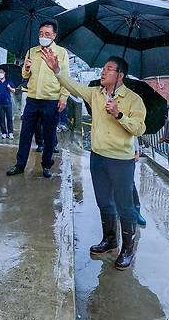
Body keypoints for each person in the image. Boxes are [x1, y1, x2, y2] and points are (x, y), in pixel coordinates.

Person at [41, 50, 146, 270]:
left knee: (125, 206)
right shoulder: (96, 94)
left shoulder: (133, 100)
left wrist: (119, 114)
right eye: (103, 68)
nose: (103, 72)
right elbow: (74, 87)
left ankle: (128, 248)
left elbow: (139, 128)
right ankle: (110, 240)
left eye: (109, 69)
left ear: (120, 76)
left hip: (121, 161)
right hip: (98, 157)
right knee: (104, 201)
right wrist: (57, 70)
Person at [6, 20, 69, 178]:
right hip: (33, 99)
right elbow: (25, 75)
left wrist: (64, 97)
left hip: (51, 100)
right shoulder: (32, 51)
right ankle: (20, 164)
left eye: (47, 34)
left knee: (49, 135)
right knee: (25, 133)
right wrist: (26, 67)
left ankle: (46, 165)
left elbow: (65, 77)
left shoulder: (61, 53)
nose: (43, 36)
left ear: (54, 35)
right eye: (41, 34)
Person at [0, 68, 16, 139]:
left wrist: (9, 87)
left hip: (8, 103)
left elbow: (14, 90)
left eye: (1, 72)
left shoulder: (9, 81)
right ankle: (4, 133)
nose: (0, 74)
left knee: (9, 118)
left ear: (4, 73)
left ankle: (10, 133)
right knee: (1, 118)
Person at [132, 138, 146, 226]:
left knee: (130, 183)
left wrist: (136, 151)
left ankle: (137, 211)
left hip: (127, 152)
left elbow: (134, 133)